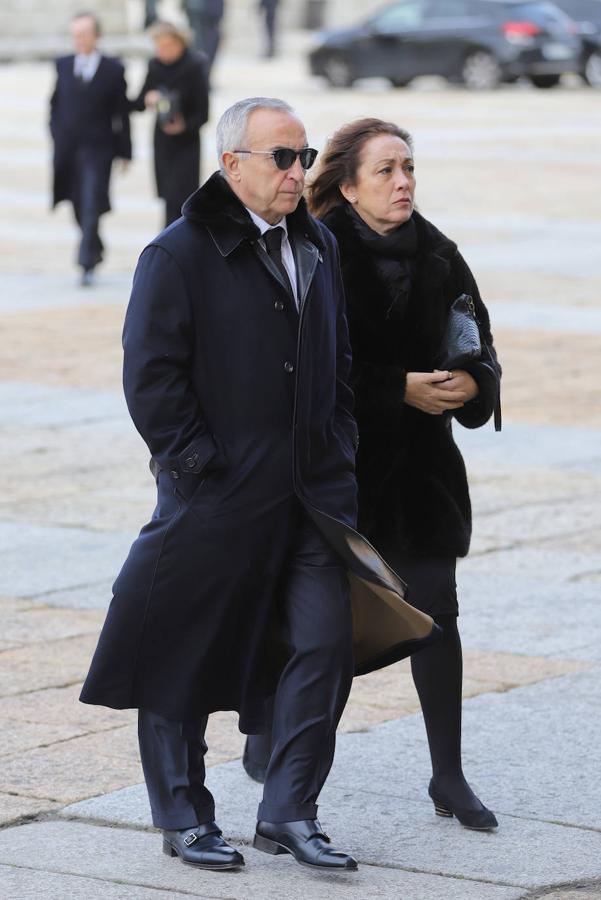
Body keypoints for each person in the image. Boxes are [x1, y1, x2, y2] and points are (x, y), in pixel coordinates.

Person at [79, 97, 439, 872]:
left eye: (304, 156)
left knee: (323, 646)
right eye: (282, 157)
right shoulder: (175, 255)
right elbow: (151, 381)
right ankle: (182, 816)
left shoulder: (315, 247)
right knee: (178, 654)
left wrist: (337, 457)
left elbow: (336, 367)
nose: (297, 172)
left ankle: (288, 813)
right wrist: (199, 470)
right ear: (230, 163)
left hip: (312, 500)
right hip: (215, 499)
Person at [244, 117, 502, 832]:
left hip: (422, 478)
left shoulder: (441, 256)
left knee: (437, 619)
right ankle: (277, 746)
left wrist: (472, 385)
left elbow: (476, 343)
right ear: (348, 184)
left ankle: (447, 775)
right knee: (321, 631)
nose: (403, 182)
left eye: (409, 168)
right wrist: (399, 390)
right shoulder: (316, 253)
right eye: (386, 170)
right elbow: (301, 371)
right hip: (339, 476)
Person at [49, 11, 131, 286]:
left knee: (91, 200)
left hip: (99, 149)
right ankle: (94, 246)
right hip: (68, 149)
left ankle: (85, 263)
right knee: (75, 203)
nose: (79, 40)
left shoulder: (113, 69)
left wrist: (125, 152)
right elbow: (55, 104)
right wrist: (55, 135)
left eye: (84, 34)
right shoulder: (62, 64)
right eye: (75, 35)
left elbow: (122, 114)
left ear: (96, 35)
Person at [131, 21, 209, 227]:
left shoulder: (194, 65)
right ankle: (169, 239)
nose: (163, 51)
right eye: (159, 47)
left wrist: (183, 126)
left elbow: (203, 113)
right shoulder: (154, 66)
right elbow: (138, 103)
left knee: (182, 197)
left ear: (180, 44)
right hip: (163, 140)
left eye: (168, 46)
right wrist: (149, 98)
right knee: (167, 196)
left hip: (187, 142)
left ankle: (178, 237)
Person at [182, 0, 224, 80]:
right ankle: (200, 77)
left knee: (205, 46)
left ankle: (202, 76)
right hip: (200, 11)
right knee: (200, 47)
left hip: (208, 13)